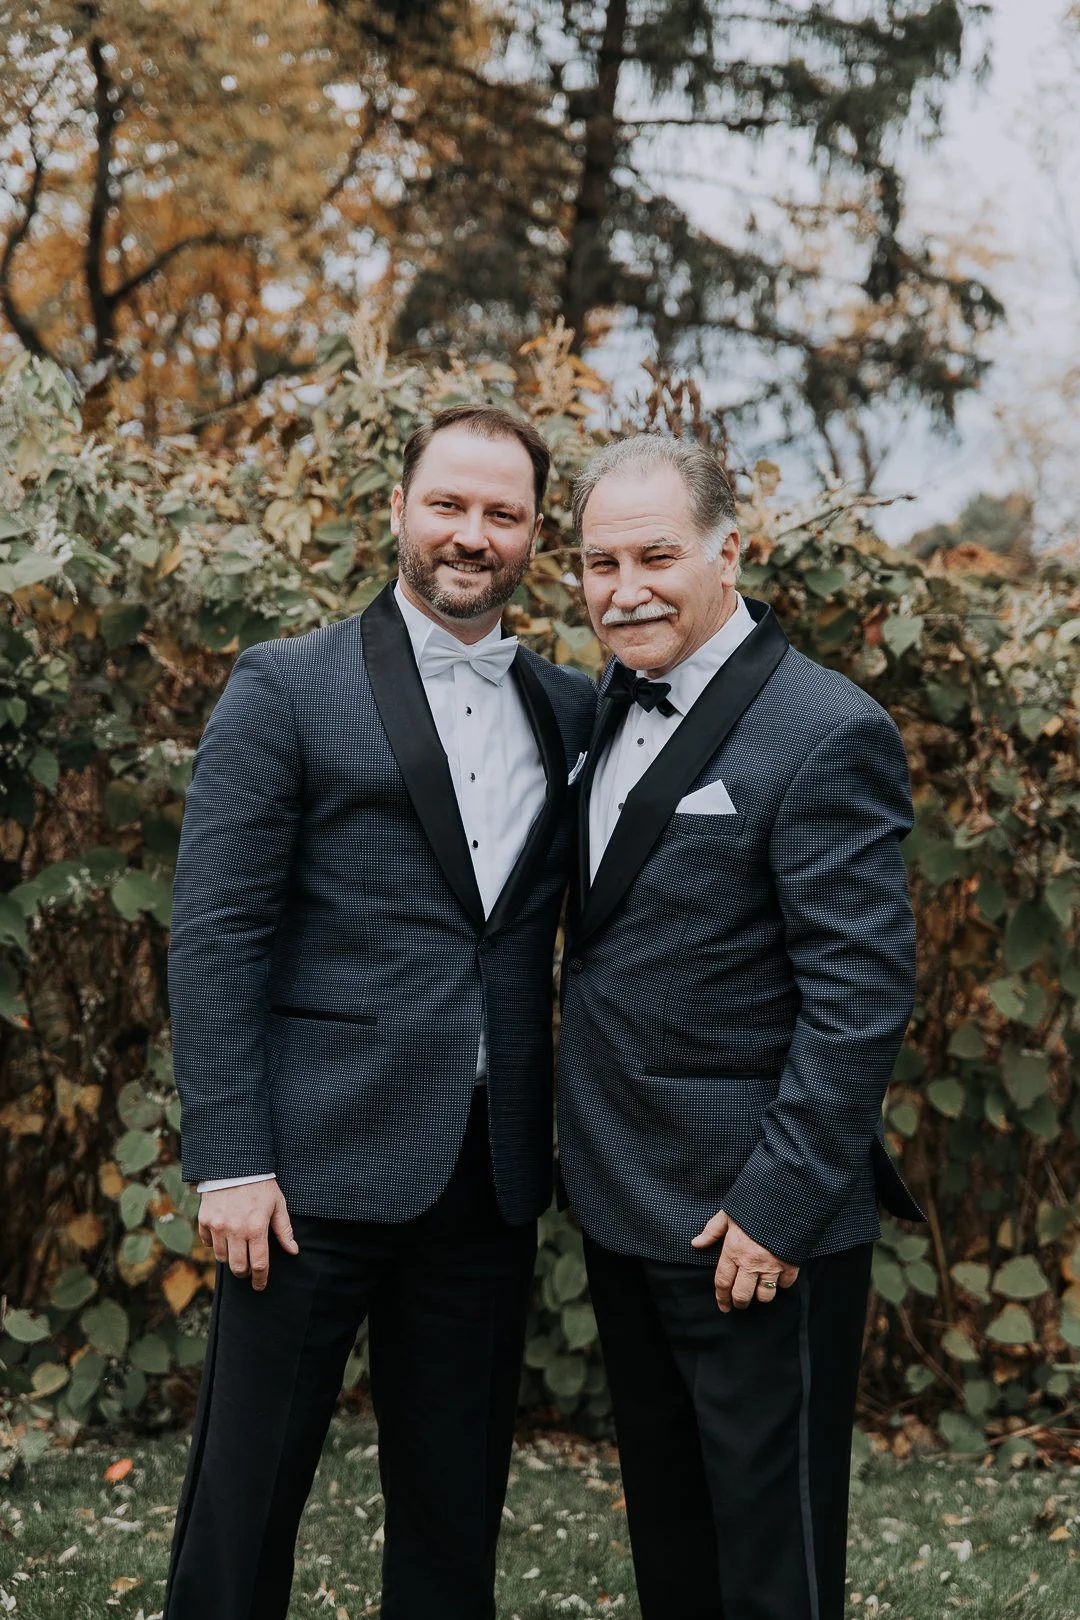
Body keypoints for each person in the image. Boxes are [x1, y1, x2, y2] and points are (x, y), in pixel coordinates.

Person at [163, 404, 595, 1620]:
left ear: (531, 537)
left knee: (456, 1516)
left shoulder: (571, 709)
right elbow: (214, 936)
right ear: (398, 511)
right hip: (302, 1174)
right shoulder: (285, 686)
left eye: (502, 514)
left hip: (488, 1173)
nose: (472, 534)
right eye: (449, 504)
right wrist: (231, 1155)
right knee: (244, 1506)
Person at [557, 434, 922, 1620]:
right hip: (623, 1196)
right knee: (673, 1539)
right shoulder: (602, 702)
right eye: (600, 563)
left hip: (755, 1221)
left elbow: (859, 997)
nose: (627, 590)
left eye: (656, 556)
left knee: (772, 1562)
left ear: (730, 549)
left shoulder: (826, 728)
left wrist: (777, 1205)